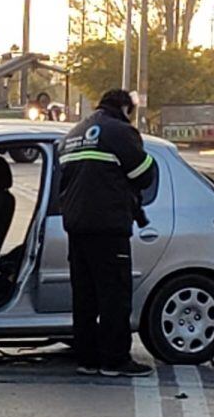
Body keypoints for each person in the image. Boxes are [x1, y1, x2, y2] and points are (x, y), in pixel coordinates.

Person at [58, 89, 156, 378]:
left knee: (85, 296)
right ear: (125, 107)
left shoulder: (74, 132)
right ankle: (115, 360)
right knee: (114, 294)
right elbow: (143, 175)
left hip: (76, 226)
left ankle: (87, 358)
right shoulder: (119, 131)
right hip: (108, 227)